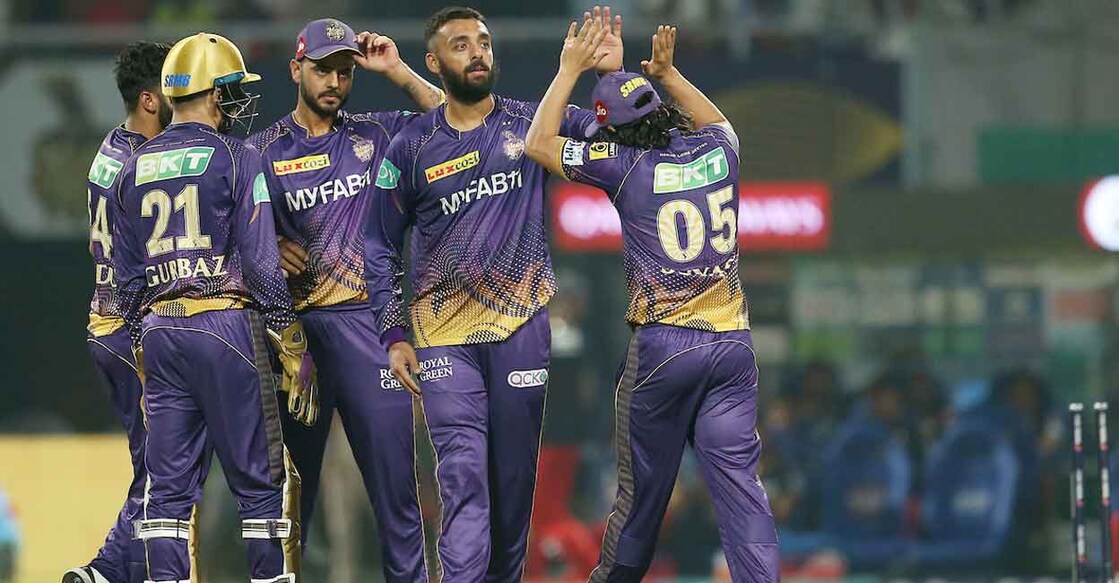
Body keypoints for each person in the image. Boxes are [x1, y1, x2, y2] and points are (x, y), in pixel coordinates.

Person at [365, 6, 622, 580]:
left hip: (521, 332)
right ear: (435, 62)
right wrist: (391, 333)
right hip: (442, 342)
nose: (478, 52)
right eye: (460, 45)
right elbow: (378, 245)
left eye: (483, 41)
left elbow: (614, 132)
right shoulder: (409, 149)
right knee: (462, 478)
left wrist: (607, 76)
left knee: (512, 496)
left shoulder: (532, 126)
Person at [523, 23, 779, 582]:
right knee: (742, 489)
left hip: (664, 350)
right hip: (732, 348)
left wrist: (572, 69)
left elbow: (539, 143)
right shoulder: (719, 149)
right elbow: (720, 122)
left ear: (611, 133)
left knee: (640, 502)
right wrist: (662, 74)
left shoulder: (625, 169)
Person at [111, 32, 316, 583]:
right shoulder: (236, 154)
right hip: (226, 324)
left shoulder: (132, 166)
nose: (235, 99)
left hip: (158, 330)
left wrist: (140, 338)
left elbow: (125, 274)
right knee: (262, 482)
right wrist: (290, 341)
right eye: (230, 88)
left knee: (169, 491)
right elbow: (261, 260)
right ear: (212, 91)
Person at [248, 18, 444, 581]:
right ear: (296, 70)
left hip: (370, 332)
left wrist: (398, 70)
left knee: (397, 498)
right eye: (322, 69)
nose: (334, 80)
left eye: (343, 70)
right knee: (288, 499)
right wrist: (261, 246)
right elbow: (221, 234)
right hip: (295, 336)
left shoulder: (378, 134)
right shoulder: (259, 151)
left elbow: (455, 122)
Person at [65, 41, 194, 583]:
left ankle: (107, 573)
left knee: (158, 467)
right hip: (131, 332)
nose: (184, 102)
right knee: (166, 472)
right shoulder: (143, 165)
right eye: (174, 91)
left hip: (106, 326)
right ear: (149, 99)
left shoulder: (108, 149)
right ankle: (104, 570)